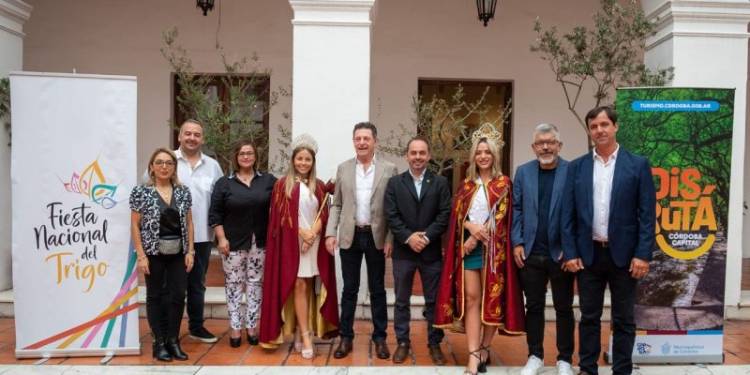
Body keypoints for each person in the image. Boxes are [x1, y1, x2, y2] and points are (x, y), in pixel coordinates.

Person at [561, 106, 656, 375]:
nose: (599, 130)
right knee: (589, 317)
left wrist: (643, 254)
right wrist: (570, 252)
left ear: (615, 126)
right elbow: (567, 214)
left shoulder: (637, 165)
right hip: (588, 254)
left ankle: (622, 370)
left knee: (624, 319)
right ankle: (588, 369)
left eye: (604, 124)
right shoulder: (577, 167)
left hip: (625, 257)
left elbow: (647, 215)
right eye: (593, 126)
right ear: (589, 131)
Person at [434, 123, 525, 375]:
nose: (483, 156)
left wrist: (475, 236)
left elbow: (502, 218)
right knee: (472, 299)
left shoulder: (504, 183)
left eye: (487, 152)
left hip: (495, 252)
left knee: (492, 299)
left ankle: (485, 346)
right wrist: (470, 227)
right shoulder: (466, 185)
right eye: (479, 152)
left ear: (494, 155)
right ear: (473, 155)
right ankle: (474, 354)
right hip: (469, 253)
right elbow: (457, 217)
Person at [259, 134, 339, 359]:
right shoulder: (282, 185)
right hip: (292, 246)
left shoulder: (319, 185)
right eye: (300, 159)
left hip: (313, 246)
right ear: (293, 160)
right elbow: (281, 219)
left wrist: (313, 234)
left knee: (310, 287)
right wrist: (303, 234)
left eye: (308, 160)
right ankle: (305, 335)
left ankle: (297, 330)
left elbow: (324, 211)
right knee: (299, 286)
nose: (303, 163)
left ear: (313, 163)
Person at [325, 122, 398, 360]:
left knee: (377, 290)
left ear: (375, 141)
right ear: (354, 141)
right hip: (350, 235)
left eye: (367, 138)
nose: (362, 142)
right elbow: (336, 204)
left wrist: (390, 238)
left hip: (376, 236)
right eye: (358, 138)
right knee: (349, 289)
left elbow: (392, 208)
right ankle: (346, 337)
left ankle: (380, 339)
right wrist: (330, 233)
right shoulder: (344, 168)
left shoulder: (389, 169)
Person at [511, 124, 574, 375]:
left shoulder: (572, 171)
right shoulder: (523, 172)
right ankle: (535, 355)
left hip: (561, 255)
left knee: (564, 308)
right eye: (540, 143)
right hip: (531, 253)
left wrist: (571, 251)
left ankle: (565, 359)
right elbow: (516, 209)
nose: (545, 147)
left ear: (559, 145)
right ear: (533, 147)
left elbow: (580, 212)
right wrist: (517, 242)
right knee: (534, 307)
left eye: (550, 142)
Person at [384, 136, 451, 365]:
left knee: (433, 300)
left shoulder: (440, 183)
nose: (418, 157)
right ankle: (403, 342)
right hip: (404, 252)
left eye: (422, 153)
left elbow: (445, 214)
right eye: (413, 153)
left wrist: (426, 236)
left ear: (429, 155)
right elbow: (391, 215)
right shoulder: (395, 183)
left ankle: (434, 343)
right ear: (407, 156)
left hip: (430, 252)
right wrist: (409, 237)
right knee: (401, 300)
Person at [209, 140, 276, 347]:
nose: (246, 157)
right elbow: (215, 214)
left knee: (255, 284)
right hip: (232, 243)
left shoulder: (268, 180)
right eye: (242, 154)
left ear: (255, 156)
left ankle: (252, 326)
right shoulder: (224, 183)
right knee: (234, 285)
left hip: (260, 242)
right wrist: (221, 238)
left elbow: (284, 201)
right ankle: (236, 328)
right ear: (236, 158)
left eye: (249, 153)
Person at [130, 148, 195, 362]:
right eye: (159, 162)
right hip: (153, 253)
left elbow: (189, 222)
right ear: (151, 167)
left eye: (169, 163)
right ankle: (159, 343)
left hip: (178, 252)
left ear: (174, 168)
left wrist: (191, 251)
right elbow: (135, 225)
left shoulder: (183, 192)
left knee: (178, 295)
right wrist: (141, 255)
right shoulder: (141, 192)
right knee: (155, 296)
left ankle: (173, 341)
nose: (164, 166)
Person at [173, 119, 224, 343]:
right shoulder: (167, 161)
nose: (192, 138)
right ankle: (168, 331)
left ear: (202, 139)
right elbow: (148, 189)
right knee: (172, 285)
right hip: (171, 235)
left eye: (196, 134)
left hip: (202, 236)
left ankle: (196, 326)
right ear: (179, 136)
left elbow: (221, 199)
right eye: (188, 134)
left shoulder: (212, 166)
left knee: (197, 285)